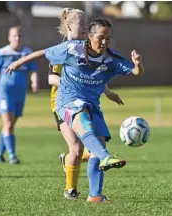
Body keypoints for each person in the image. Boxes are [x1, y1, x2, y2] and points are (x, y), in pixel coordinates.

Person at [6, 18, 144, 202]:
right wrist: (18, 63)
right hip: (67, 101)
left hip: (92, 104)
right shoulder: (72, 48)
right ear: (89, 35)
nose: (104, 42)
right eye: (101, 37)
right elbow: (43, 53)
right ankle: (105, 158)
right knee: (83, 123)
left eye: (108, 39)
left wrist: (137, 64)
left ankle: (95, 195)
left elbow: (136, 73)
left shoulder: (111, 58)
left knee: (99, 143)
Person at [48, 8, 124, 199]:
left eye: (86, 22)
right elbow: (52, 78)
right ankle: (70, 190)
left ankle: (90, 189)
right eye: (82, 23)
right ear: (69, 25)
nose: (85, 26)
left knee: (90, 148)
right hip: (62, 102)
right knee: (77, 148)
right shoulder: (65, 49)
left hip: (85, 101)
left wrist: (107, 92)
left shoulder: (88, 47)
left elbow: (95, 74)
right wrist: (72, 84)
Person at [0, 26, 38, 164]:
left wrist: (34, 82)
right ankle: (12, 156)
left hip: (20, 94)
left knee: (9, 125)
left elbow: (33, 70)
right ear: (9, 37)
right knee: (8, 124)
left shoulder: (27, 53)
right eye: (14, 36)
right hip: (4, 93)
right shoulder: (2, 53)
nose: (17, 38)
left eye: (19, 36)